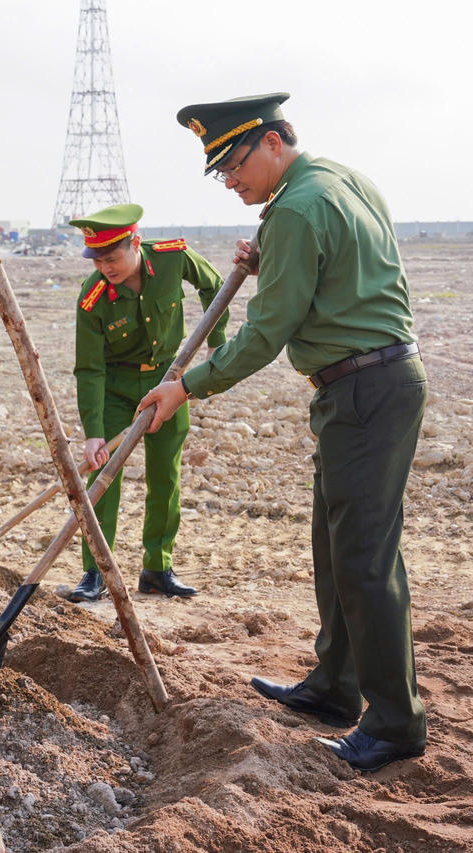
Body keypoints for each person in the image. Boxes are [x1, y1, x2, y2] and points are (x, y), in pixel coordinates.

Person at [140, 93, 427, 772]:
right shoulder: (337, 182)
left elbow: (267, 332)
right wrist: (276, 263)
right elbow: (340, 277)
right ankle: (335, 686)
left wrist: (188, 385)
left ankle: (395, 722)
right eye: (220, 171)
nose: (230, 178)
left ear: (273, 142)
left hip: (365, 388)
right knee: (335, 546)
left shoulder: (296, 208)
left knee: (363, 558)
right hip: (366, 385)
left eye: (236, 162)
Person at [66, 203, 228, 603]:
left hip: (169, 383)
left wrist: (217, 343)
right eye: (98, 260)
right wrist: (94, 434)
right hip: (117, 390)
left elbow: (215, 285)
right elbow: (89, 369)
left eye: (113, 257)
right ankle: (96, 573)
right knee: (103, 479)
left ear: (135, 242)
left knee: (165, 478)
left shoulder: (172, 258)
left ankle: (157, 569)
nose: (106, 267)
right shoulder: (92, 298)